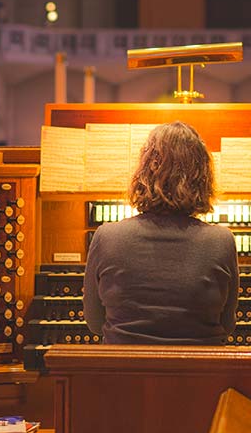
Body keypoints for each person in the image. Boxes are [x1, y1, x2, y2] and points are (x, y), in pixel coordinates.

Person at [83, 121, 238, 344]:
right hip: (200, 366)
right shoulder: (222, 240)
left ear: (144, 173)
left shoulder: (106, 236)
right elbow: (227, 325)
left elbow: (94, 322)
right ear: (202, 177)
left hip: (124, 365)